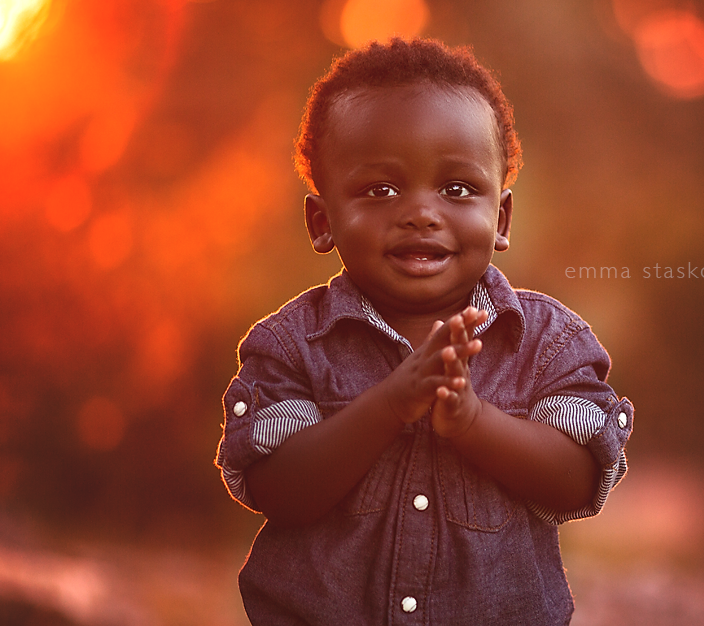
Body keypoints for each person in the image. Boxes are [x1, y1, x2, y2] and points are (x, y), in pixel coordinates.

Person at [214, 37, 633, 626]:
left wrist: (471, 420)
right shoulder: (293, 346)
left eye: (457, 189)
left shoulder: (545, 343)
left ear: (501, 218)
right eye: (380, 190)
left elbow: (578, 481)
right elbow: (279, 491)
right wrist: (389, 404)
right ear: (321, 220)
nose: (421, 212)